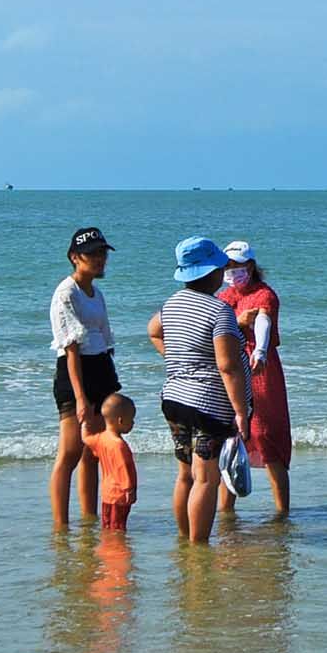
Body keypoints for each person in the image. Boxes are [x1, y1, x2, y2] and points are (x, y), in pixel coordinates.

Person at [145, 233, 257, 544]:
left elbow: (153, 331)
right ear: (210, 273)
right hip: (208, 406)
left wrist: (180, 358)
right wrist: (240, 412)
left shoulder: (171, 304)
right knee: (206, 479)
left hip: (175, 399)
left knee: (185, 474)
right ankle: (198, 547)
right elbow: (228, 366)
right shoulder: (218, 311)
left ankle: (184, 539)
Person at [46, 227, 119, 530]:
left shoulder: (95, 292)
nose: (100, 259)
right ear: (75, 258)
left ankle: (89, 519)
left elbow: (104, 337)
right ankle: (61, 526)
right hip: (75, 373)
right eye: (93, 254)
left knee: (95, 451)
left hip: (101, 369)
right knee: (71, 452)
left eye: (103, 253)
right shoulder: (66, 293)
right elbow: (71, 349)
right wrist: (80, 398)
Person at [217, 240, 293, 522]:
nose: (232, 271)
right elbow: (219, 328)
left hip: (261, 371)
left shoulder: (265, 295)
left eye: (237, 266)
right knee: (232, 439)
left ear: (250, 266)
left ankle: (281, 512)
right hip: (233, 369)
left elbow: (263, 322)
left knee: (265, 436)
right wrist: (238, 321)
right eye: (228, 266)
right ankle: (226, 512)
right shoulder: (225, 298)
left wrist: (259, 351)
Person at [85, 393, 143, 532]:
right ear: (120, 421)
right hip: (120, 494)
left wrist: (85, 423)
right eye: (132, 420)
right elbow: (122, 468)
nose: (133, 423)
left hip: (106, 494)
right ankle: (116, 549)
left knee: (107, 524)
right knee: (118, 527)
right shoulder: (119, 445)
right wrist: (129, 489)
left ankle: (107, 547)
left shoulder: (100, 438)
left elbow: (86, 438)